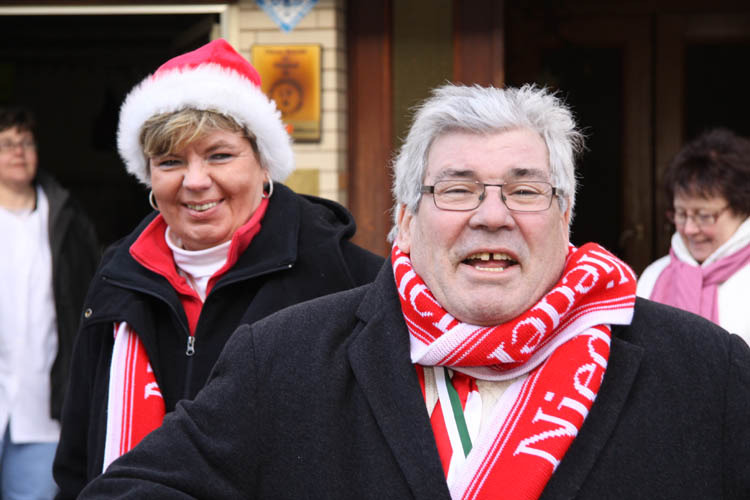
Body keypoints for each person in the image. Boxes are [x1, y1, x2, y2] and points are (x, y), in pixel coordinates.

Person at [78, 85, 749, 499]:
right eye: (456, 189)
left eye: (524, 190)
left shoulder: (708, 371)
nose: (492, 215)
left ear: (565, 216)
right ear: (405, 218)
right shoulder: (283, 359)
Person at [52, 39, 383, 499]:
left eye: (219, 155)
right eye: (170, 162)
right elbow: (77, 454)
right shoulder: (116, 278)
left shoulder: (349, 278)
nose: (195, 181)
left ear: (264, 164)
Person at [0, 106, 99, 499]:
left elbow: (92, 299)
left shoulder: (67, 219)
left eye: (26, 142)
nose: (19, 152)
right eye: (7, 144)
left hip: (44, 404)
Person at [637, 128, 750, 344]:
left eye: (704, 216)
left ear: (742, 210)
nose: (689, 229)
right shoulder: (655, 275)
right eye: (681, 214)